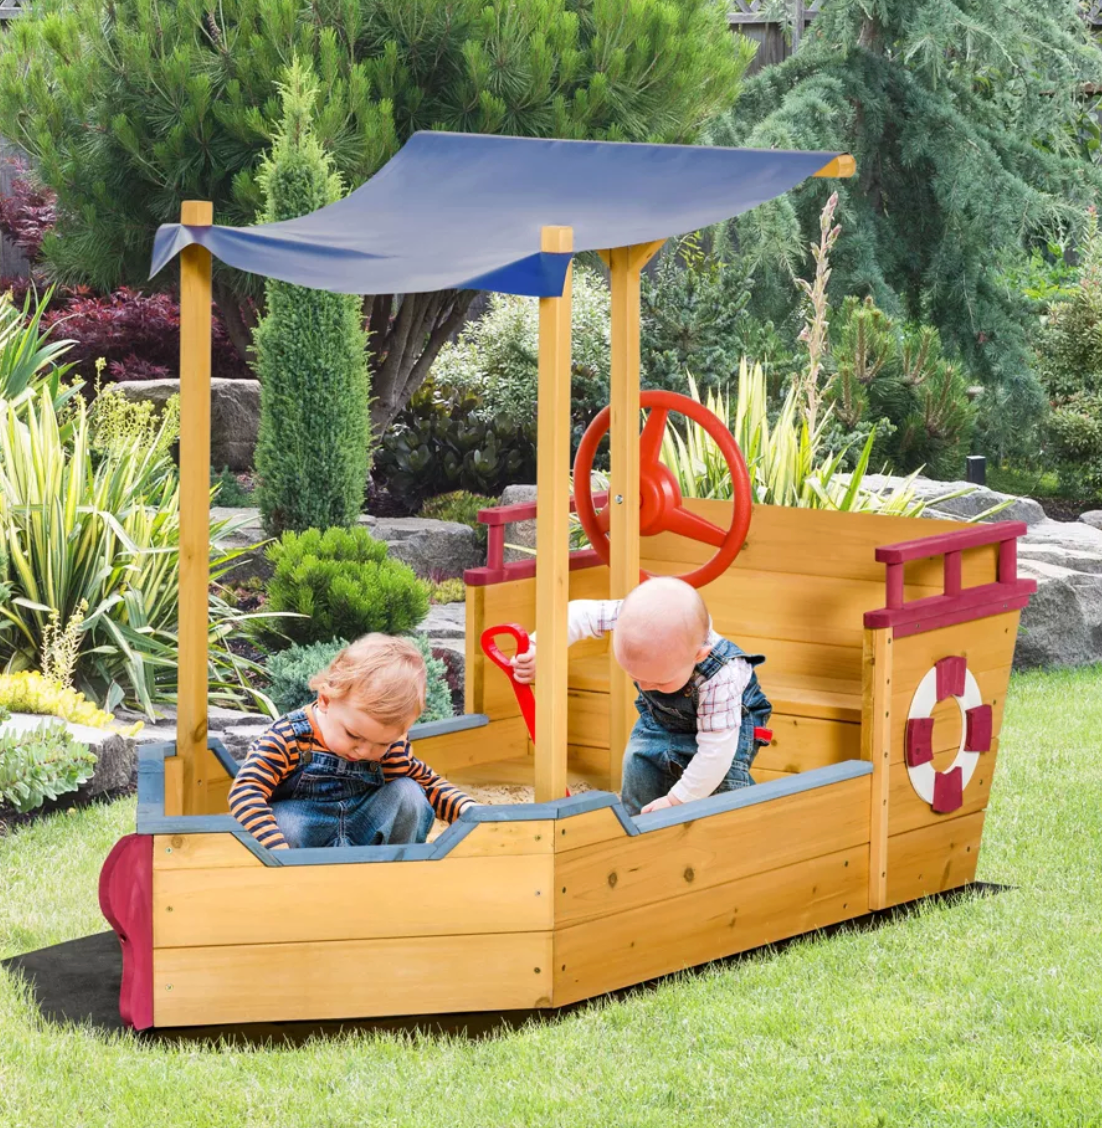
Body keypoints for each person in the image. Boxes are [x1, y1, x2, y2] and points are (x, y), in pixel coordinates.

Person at [512, 576, 771, 816]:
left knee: (720, 792)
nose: (645, 687)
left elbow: (716, 754)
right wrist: (540, 647)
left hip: (728, 728)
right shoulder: (632, 618)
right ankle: (639, 833)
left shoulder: (722, 677)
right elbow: (578, 615)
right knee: (639, 765)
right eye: (634, 676)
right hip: (662, 720)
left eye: (658, 681)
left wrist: (675, 801)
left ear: (698, 656)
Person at [228, 634, 474, 850]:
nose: (366, 750)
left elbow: (429, 785)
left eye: (382, 744)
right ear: (325, 700)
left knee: (409, 794)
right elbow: (245, 792)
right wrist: (277, 853)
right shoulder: (289, 738)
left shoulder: (392, 748)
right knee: (284, 822)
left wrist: (473, 813)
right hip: (303, 839)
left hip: (364, 828)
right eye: (354, 736)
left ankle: (396, 871)